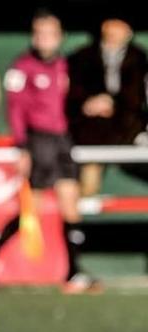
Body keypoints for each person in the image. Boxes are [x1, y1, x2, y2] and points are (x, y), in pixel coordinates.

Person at [0, 10, 98, 293]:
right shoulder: (22, 67)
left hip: (62, 141)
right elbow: (16, 110)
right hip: (38, 142)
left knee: (71, 205)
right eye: (39, 33)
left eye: (50, 34)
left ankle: (74, 273)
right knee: (30, 211)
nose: (44, 39)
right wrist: (22, 147)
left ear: (59, 37)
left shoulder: (65, 66)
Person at [66, 13, 148, 196]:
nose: (115, 30)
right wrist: (88, 103)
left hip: (130, 130)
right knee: (87, 185)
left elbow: (137, 99)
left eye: (121, 25)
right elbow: (71, 96)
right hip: (92, 132)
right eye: (112, 23)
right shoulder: (82, 57)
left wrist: (114, 104)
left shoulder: (140, 58)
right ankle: (75, 224)